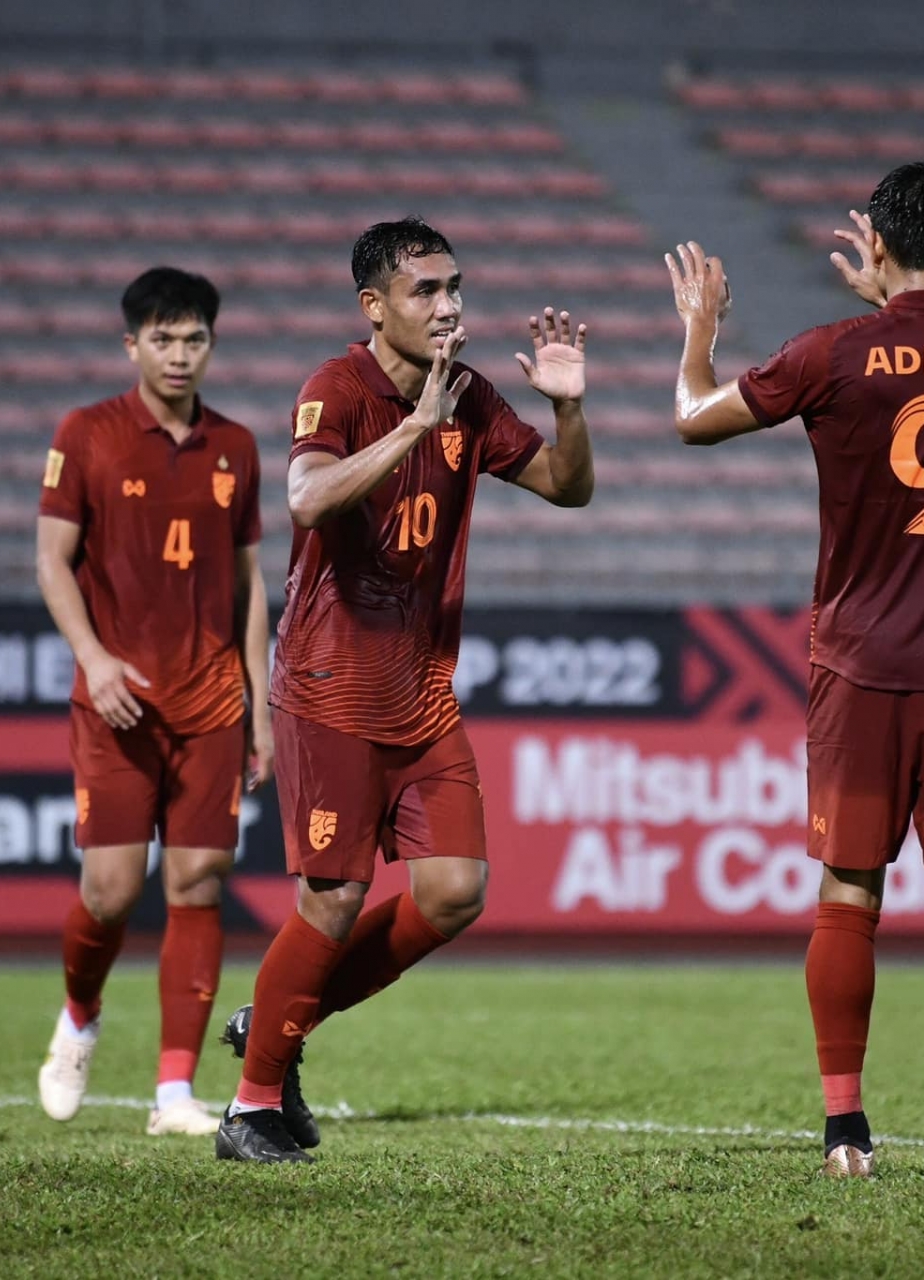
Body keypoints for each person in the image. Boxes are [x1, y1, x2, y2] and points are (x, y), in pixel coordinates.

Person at [668, 161, 924, 1181]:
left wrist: (699, 327)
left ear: (872, 244)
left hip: (861, 664)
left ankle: (846, 1134)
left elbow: (693, 418)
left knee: (848, 895)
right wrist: (900, 295)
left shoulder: (827, 355)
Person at [216, 217, 597, 1164]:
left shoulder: (468, 392)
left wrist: (570, 410)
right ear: (373, 306)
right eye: (426, 290)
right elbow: (305, 498)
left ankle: (277, 1021)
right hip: (329, 685)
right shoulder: (336, 389)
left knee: (456, 891)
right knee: (333, 901)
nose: (449, 304)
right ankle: (252, 1106)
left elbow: (567, 487)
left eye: (454, 286)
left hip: (421, 692)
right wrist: (417, 429)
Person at [34, 266, 270, 1137]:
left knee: (199, 881)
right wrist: (93, 660)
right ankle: (79, 1015)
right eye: (163, 339)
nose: (179, 355)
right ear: (131, 344)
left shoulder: (237, 446)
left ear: (212, 343)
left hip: (211, 700)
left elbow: (248, 584)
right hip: (119, 700)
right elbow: (52, 559)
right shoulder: (87, 434)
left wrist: (261, 705)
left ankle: (173, 1093)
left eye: (194, 339)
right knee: (108, 891)